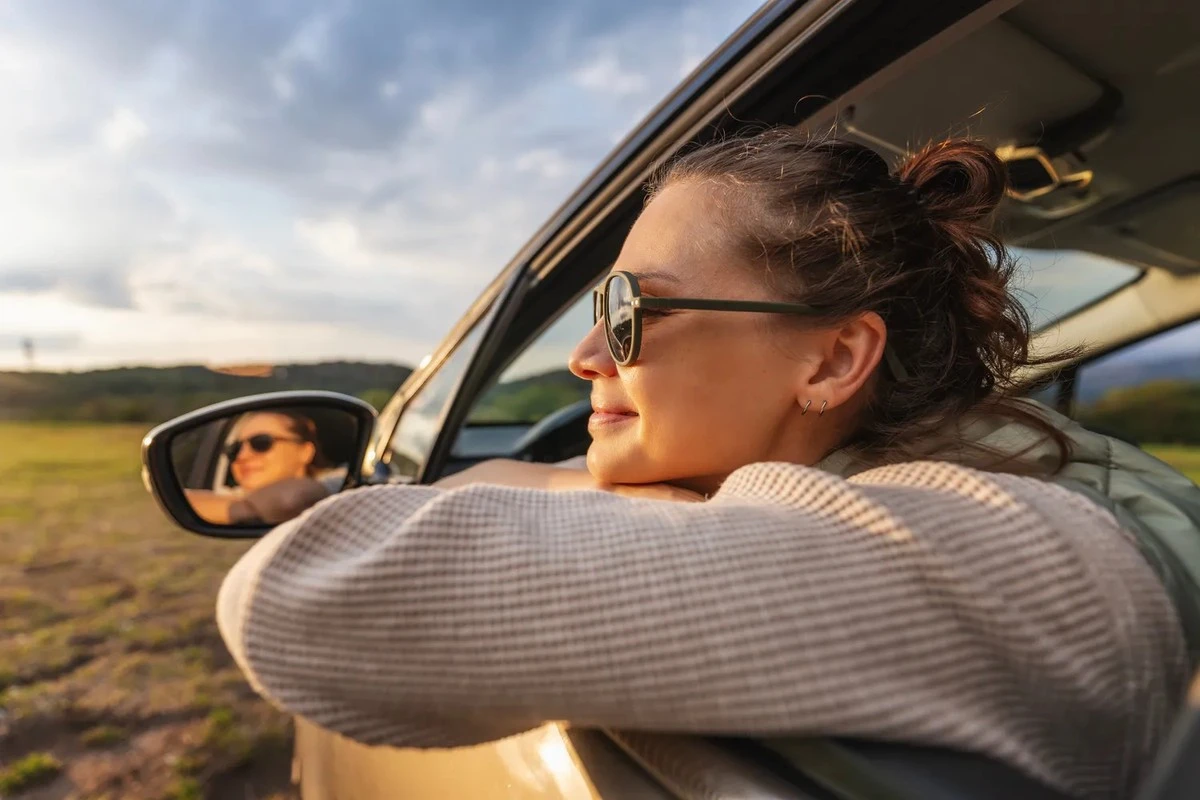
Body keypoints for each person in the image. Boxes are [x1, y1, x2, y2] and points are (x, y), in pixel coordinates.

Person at [215, 130, 1200, 800]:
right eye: (597, 312)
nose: (587, 356)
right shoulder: (993, 485)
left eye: (635, 311)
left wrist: (549, 477)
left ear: (831, 358)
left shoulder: (1000, 550)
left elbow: (300, 598)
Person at [187, 410, 331, 525]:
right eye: (234, 449)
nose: (242, 456)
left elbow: (292, 499)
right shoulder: (226, 494)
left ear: (305, 452)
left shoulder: (335, 484)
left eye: (261, 443)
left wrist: (243, 511)